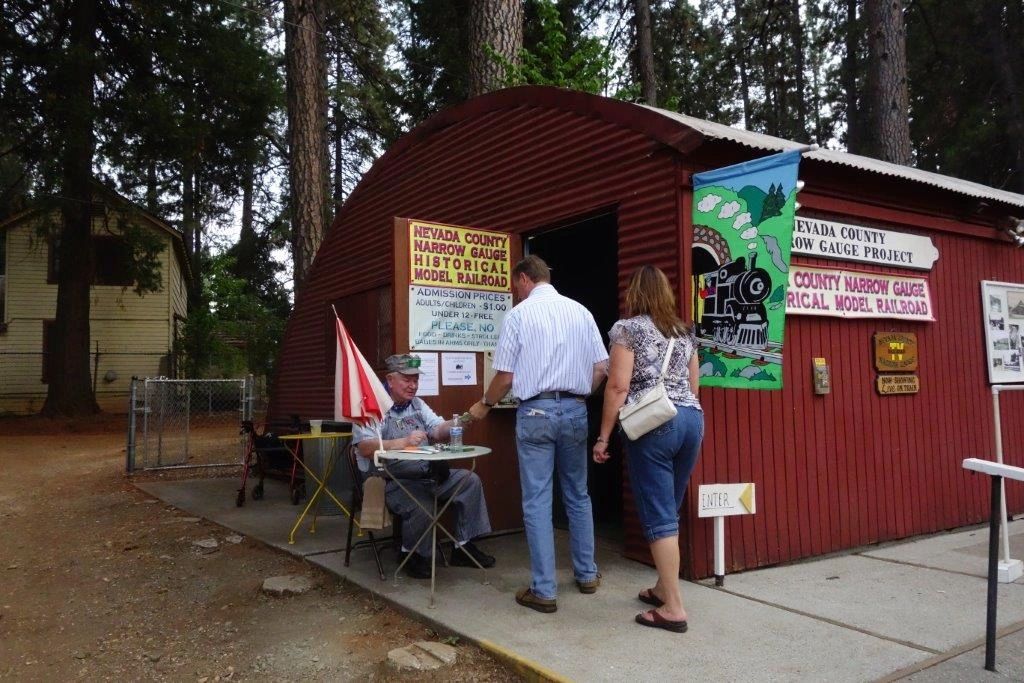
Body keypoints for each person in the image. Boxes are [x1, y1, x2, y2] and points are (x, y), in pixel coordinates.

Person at [469, 255, 608, 613]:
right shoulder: (581, 312)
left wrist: (484, 404)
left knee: (537, 500)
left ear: (525, 278)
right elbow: (601, 367)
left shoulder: (519, 316)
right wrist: (579, 395)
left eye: (516, 285)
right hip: (575, 410)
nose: (516, 292)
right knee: (578, 494)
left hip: (535, 411)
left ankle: (544, 590)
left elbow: (505, 377)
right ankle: (587, 574)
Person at [592, 265, 703, 634]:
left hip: (654, 423)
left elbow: (618, 387)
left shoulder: (627, 329)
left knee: (658, 515)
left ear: (635, 293)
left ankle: (673, 608)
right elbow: (693, 384)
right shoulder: (685, 330)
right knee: (668, 507)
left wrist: (604, 436)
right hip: (690, 418)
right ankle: (661, 588)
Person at [353, 353, 495, 579]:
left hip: (427, 474)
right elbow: (365, 448)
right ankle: (411, 554)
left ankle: (463, 546)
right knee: (422, 501)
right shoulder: (372, 407)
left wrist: (465, 420)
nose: (413, 385)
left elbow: (438, 430)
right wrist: (402, 442)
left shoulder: (417, 404)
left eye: (416, 380)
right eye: (407, 379)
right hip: (391, 480)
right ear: (390, 380)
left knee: (470, 481)